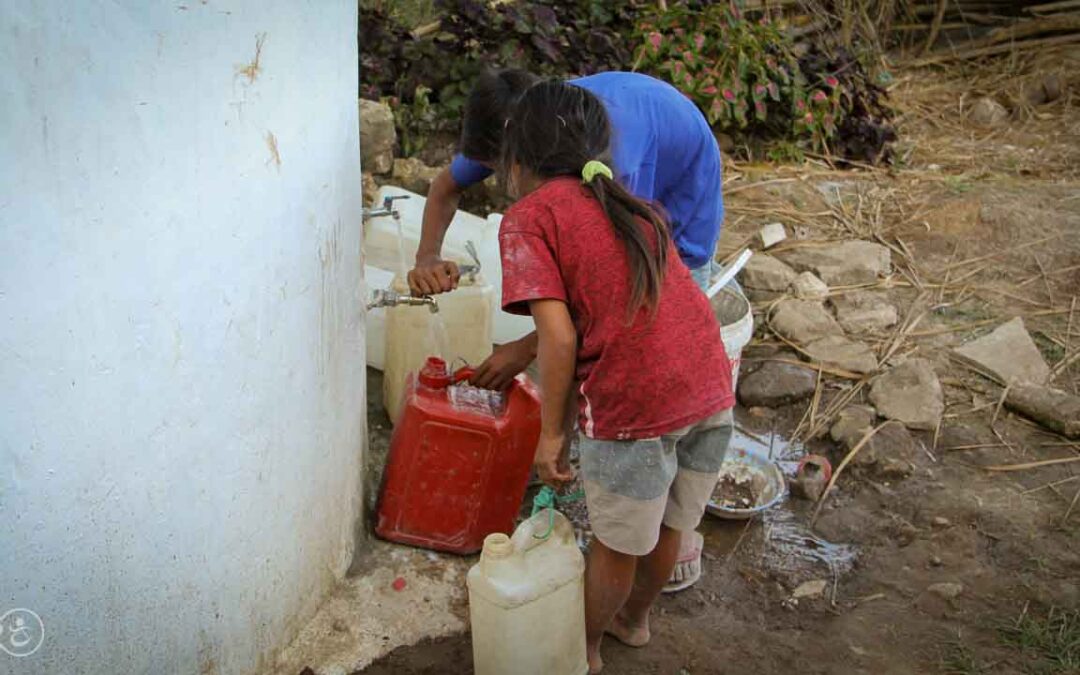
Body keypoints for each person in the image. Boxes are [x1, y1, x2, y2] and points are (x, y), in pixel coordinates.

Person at [407, 69, 725, 591]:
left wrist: (523, 353)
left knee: (651, 365)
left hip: (679, 210)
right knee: (624, 381)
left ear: (518, 154)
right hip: (705, 387)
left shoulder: (613, 165)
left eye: (501, 172)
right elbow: (446, 187)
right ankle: (620, 491)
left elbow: (611, 292)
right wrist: (426, 255)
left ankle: (662, 519)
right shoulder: (514, 119)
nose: (504, 186)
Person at [494, 80, 734, 674]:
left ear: (516, 161)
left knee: (617, 545)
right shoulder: (629, 204)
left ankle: (585, 649)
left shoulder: (527, 219)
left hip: (636, 406)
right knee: (672, 523)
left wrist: (553, 435)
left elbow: (560, 336)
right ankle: (634, 622)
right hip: (711, 384)